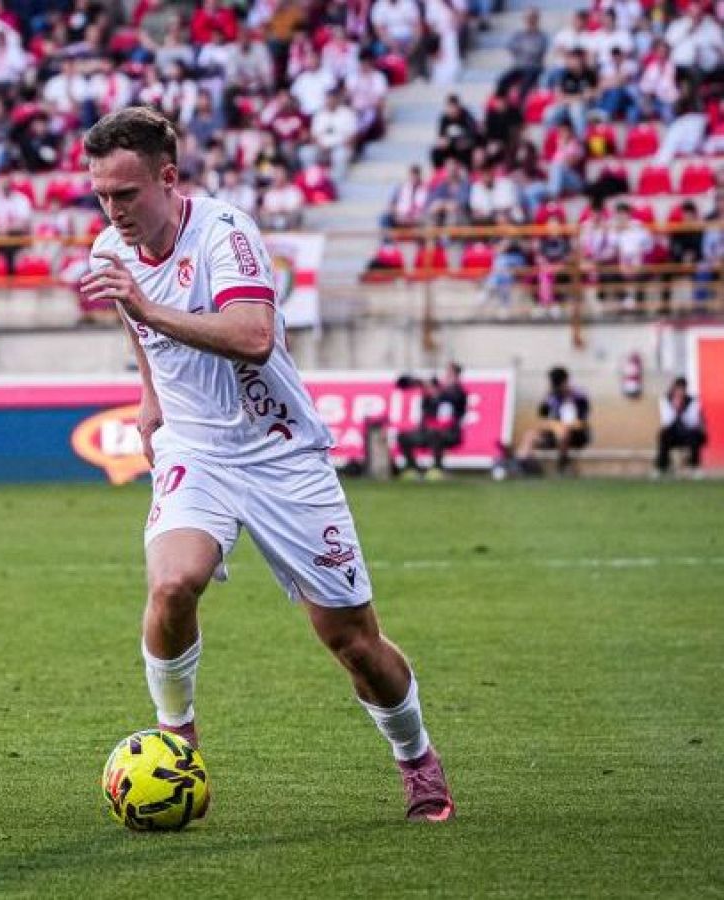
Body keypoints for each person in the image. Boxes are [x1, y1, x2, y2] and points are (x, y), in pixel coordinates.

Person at [77, 107, 453, 822]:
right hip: (195, 446)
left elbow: (251, 336)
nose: (113, 210)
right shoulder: (108, 250)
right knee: (172, 584)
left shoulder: (227, 233)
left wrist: (150, 310)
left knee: (353, 641)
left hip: (279, 453)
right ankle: (175, 733)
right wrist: (149, 399)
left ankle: (417, 760)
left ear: (167, 177)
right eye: (101, 194)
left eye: (126, 193)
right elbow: (139, 329)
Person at [396, 363, 468, 480]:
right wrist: (426, 392)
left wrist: (435, 390)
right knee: (403, 437)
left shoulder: (459, 392)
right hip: (428, 430)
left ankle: (437, 468)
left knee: (434, 434)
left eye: (450, 374)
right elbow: (427, 412)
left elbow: (453, 400)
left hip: (449, 432)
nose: (447, 376)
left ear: (456, 375)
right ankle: (412, 468)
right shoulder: (435, 392)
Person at [516, 366, 592, 475]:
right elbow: (542, 419)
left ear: (566, 382)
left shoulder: (579, 397)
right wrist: (554, 425)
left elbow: (582, 423)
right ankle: (522, 465)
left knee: (564, 431)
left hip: (577, 436)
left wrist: (563, 426)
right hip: (554, 435)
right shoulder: (551, 397)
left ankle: (563, 464)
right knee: (530, 435)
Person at [655, 377, 706, 476]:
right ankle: (662, 467)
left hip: (686, 431)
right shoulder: (665, 400)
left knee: (695, 436)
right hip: (672, 432)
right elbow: (666, 421)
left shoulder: (692, 401)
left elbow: (692, 422)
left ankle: (695, 467)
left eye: (682, 389)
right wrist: (675, 408)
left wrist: (682, 410)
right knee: (663, 435)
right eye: (678, 389)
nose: (680, 392)